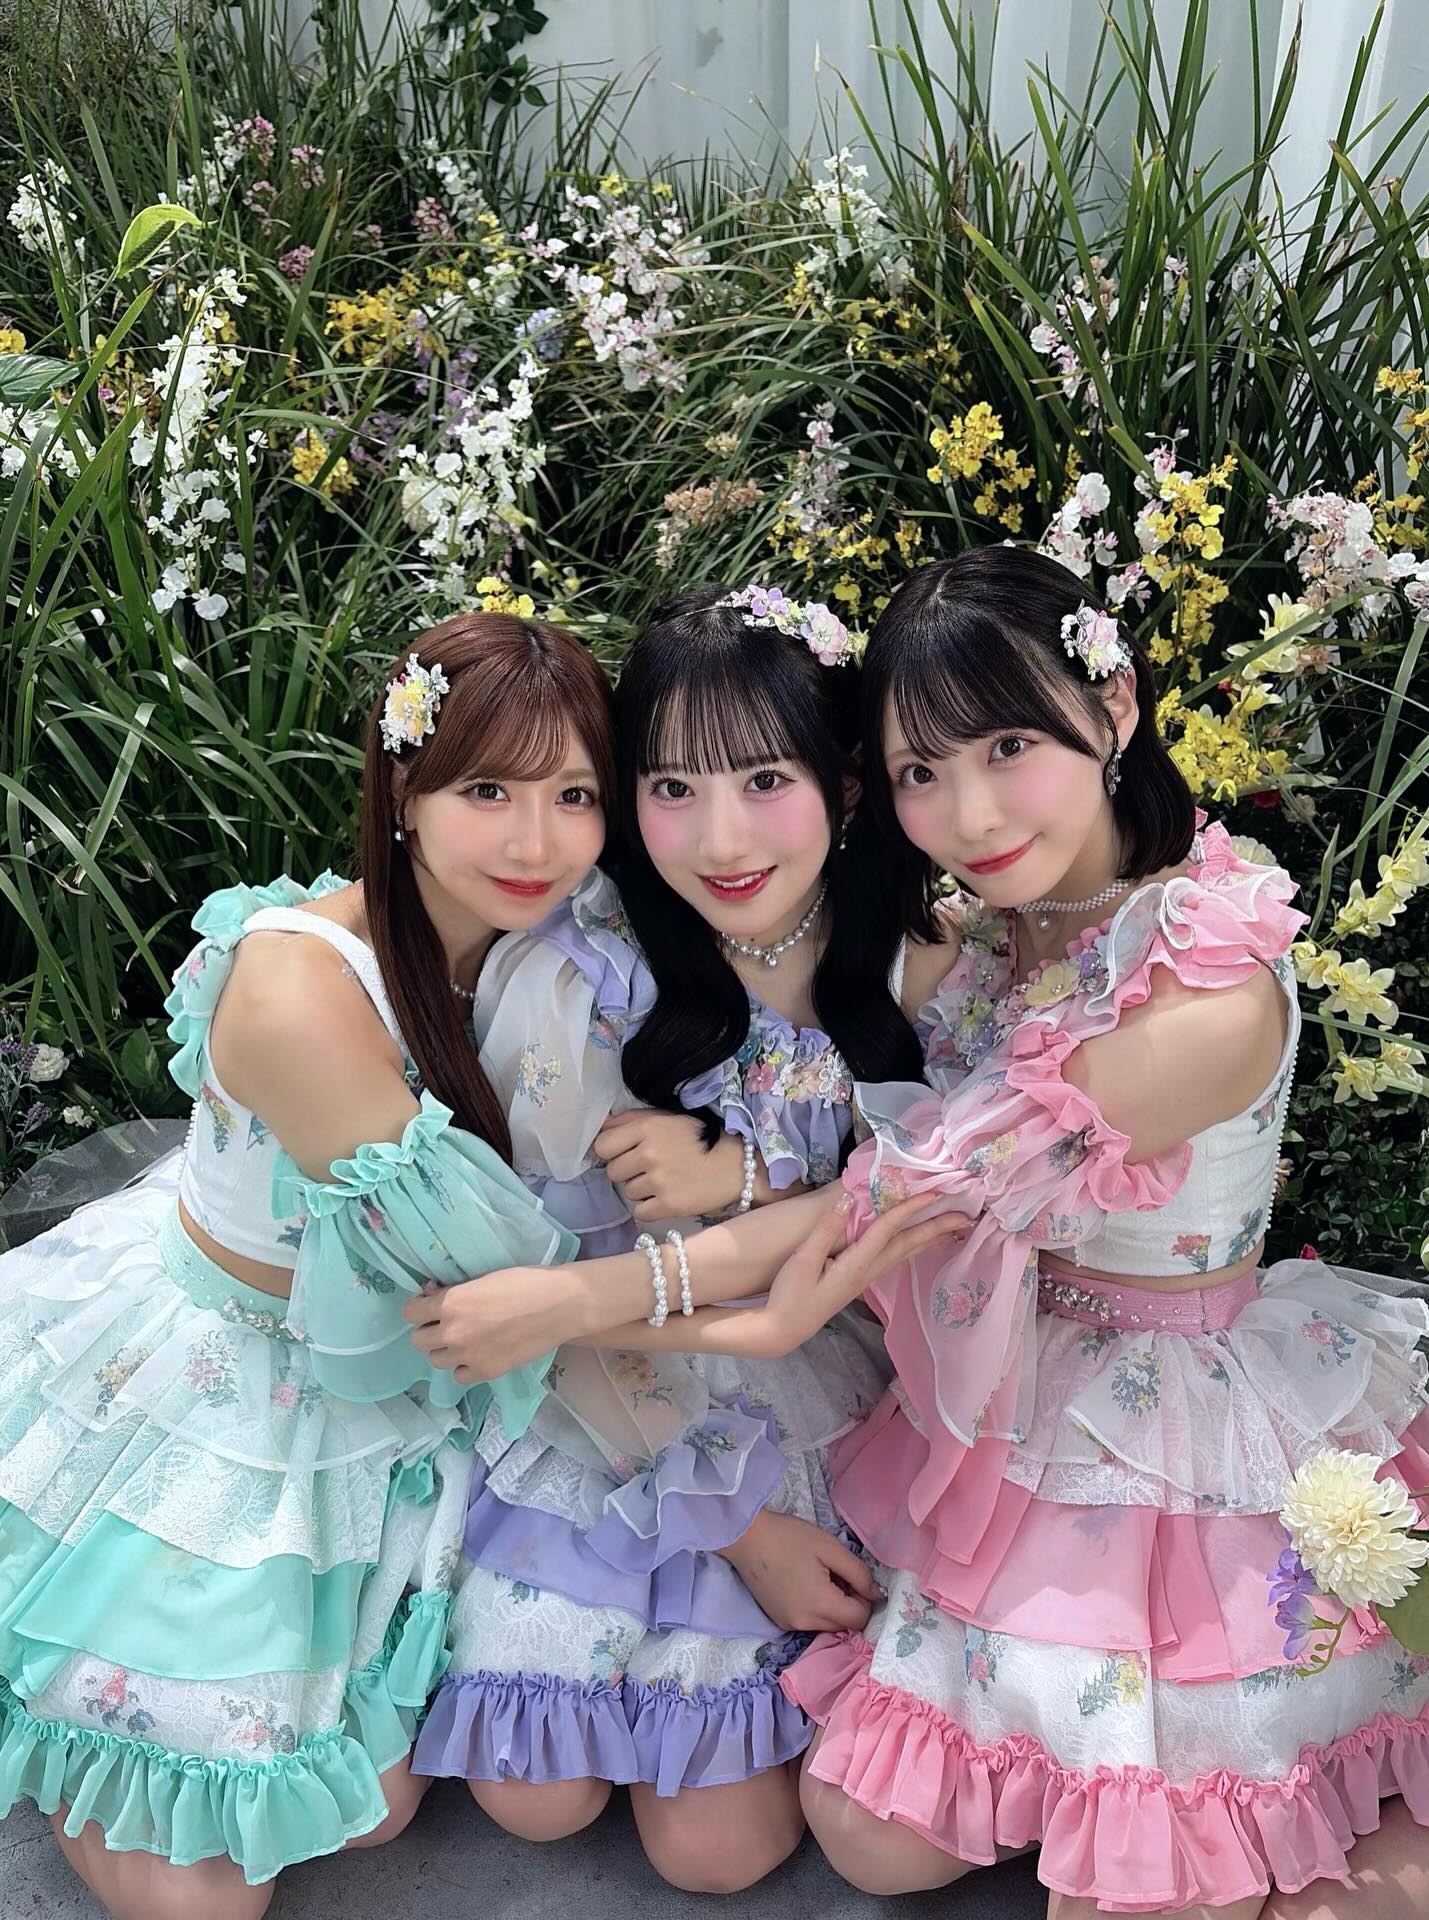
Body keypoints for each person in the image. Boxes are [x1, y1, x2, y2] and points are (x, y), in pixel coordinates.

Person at [773, 548, 1429, 1919]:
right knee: (869, 1836)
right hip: (1032, 1380)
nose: (969, 812)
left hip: (1197, 1400)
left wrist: (597, 1296)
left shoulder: (1206, 966)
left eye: (1009, 747)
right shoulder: (994, 928)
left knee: (1141, 1886)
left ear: (1116, 704)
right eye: (921, 771)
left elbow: (912, 1190)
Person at [0, 613, 616, 1920]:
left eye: (575, 796)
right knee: (203, 1897)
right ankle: (71, 1714)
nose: (537, 841)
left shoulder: (548, 951)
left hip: (405, 1378)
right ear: (402, 786)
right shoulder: (300, 990)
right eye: (488, 791)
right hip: (238, 1382)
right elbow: (483, 1274)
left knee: (372, 1809)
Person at [410, 584, 971, 1892]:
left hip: (818, 1373)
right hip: (614, 1387)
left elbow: (930, 1203)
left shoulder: (920, 959)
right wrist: (735, 1527)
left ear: (843, 786)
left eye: (765, 779)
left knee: (720, 1852)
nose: (720, 838)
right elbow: (546, 1293)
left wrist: (749, 1172)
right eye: (671, 788)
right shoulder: (586, 979)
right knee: (537, 1795)